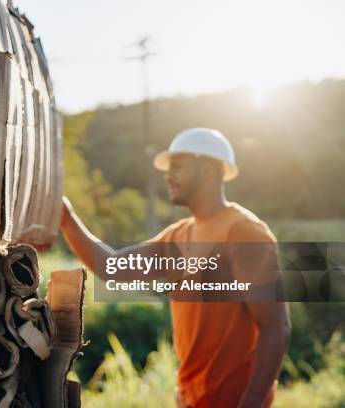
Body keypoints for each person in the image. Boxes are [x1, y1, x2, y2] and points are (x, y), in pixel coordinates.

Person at [60, 128, 290, 408]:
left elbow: (275, 326)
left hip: (235, 401)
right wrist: (68, 220)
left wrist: (251, 402)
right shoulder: (178, 237)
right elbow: (113, 267)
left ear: (207, 170)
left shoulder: (244, 232)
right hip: (191, 399)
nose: (168, 176)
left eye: (177, 167)